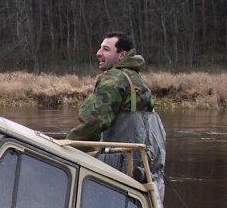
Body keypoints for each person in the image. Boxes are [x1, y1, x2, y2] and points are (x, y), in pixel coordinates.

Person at [67, 32, 166, 198]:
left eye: (106, 49)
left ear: (122, 55)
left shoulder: (114, 78)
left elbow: (94, 120)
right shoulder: (137, 80)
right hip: (147, 169)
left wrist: (69, 146)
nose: (98, 53)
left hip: (123, 169)